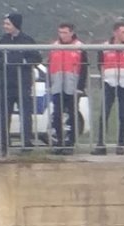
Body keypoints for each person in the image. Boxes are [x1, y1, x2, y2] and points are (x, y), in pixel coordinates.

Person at [0, 12, 41, 149]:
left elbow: (37, 58)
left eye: (8, 24)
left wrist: (23, 61)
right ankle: (4, 143)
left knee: (25, 114)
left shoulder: (27, 40)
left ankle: (26, 142)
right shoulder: (2, 40)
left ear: (16, 24)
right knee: (4, 114)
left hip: (22, 83)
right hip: (6, 84)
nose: (5, 26)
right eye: (4, 24)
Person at [46, 23, 88, 154]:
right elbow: (49, 66)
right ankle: (58, 142)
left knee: (72, 115)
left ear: (71, 33)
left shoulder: (79, 47)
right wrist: (49, 84)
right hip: (57, 86)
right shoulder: (54, 46)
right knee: (57, 115)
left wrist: (80, 87)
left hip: (73, 86)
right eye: (60, 32)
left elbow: (84, 69)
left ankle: (70, 143)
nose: (62, 35)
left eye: (65, 32)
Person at [98, 22, 124, 153]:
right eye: (123, 32)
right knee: (105, 113)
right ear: (115, 33)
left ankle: (120, 144)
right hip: (109, 82)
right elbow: (100, 64)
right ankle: (100, 143)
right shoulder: (105, 47)